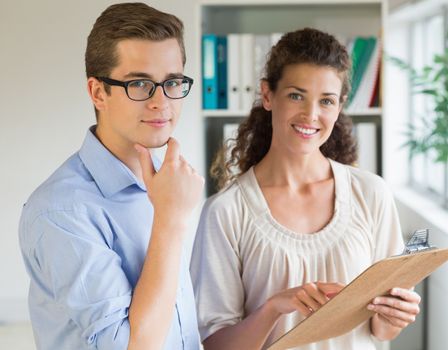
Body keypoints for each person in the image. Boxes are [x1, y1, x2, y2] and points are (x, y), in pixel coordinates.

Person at [190, 28, 421, 350]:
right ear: (268, 95)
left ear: (340, 106)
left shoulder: (371, 193)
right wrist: (274, 307)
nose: (311, 115)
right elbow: (216, 346)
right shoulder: (226, 211)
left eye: (326, 101)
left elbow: (380, 332)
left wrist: (394, 315)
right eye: (296, 95)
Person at [18, 3, 204, 349]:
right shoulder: (61, 212)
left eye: (172, 82)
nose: (161, 102)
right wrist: (171, 220)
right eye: (139, 84)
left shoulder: (166, 187)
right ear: (98, 92)